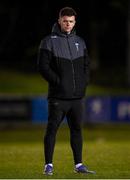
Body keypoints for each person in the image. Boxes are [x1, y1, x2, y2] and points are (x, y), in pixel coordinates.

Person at [37, 6, 95, 175]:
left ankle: (79, 165)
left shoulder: (80, 41)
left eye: (71, 21)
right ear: (59, 21)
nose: (68, 24)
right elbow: (42, 67)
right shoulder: (48, 41)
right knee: (52, 129)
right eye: (65, 21)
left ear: (74, 22)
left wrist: (84, 83)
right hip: (58, 97)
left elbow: (86, 65)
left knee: (77, 130)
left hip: (77, 97)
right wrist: (59, 82)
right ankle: (48, 165)